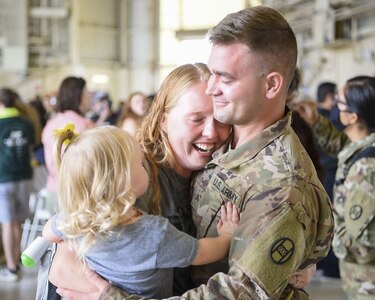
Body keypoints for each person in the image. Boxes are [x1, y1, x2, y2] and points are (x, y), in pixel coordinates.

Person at [57, 6, 334, 300]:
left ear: (272, 84)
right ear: (163, 119)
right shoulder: (164, 165)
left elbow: (237, 294)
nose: (212, 89)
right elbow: (65, 261)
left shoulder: (284, 185)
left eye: (225, 78)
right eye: (212, 74)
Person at [36, 63, 232, 300]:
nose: (211, 132)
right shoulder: (130, 180)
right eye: (196, 119)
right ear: (163, 121)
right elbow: (62, 271)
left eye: (221, 119)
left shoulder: (218, 174)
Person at [42, 125, 239, 298]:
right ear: (122, 181)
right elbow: (202, 252)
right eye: (139, 163)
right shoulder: (155, 234)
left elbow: (48, 232)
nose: (145, 165)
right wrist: (227, 236)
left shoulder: (75, 220)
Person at [296, 75, 375, 299]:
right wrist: (317, 121)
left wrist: (325, 236)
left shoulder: (367, 170)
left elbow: (366, 247)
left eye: (339, 102)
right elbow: (345, 145)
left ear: (353, 116)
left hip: (372, 286)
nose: (334, 106)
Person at [41, 76, 90, 215]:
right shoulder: (81, 124)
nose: (89, 97)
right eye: (87, 93)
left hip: (53, 189)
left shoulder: (52, 122)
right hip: (75, 192)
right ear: (78, 96)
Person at [0, 88, 35, 282]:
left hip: (3, 177)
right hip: (24, 176)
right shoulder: (26, 123)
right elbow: (30, 146)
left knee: (7, 223)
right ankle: (18, 262)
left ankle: (11, 268)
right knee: (18, 222)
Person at [315, 81, 341, 279]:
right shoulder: (331, 121)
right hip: (330, 174)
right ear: (330, 97)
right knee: (332, 220)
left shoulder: (309, 117)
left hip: (316, 176)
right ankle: (332, 265)